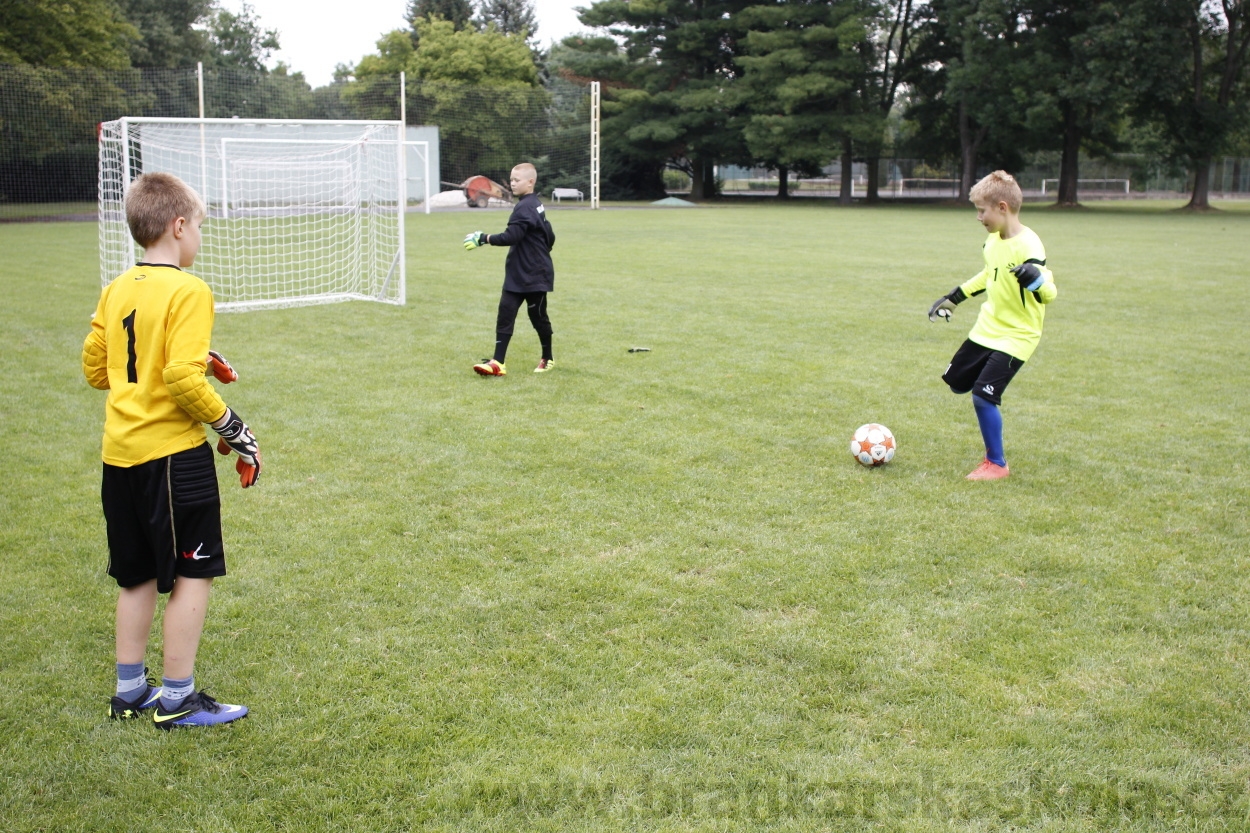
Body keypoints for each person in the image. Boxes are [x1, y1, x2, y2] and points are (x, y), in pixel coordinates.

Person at [82, 172, 261, 728]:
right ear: (179, 226)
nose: (199, 238)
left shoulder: (117, 287)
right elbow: (180, 381)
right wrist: (235, 431)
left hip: (119, 455)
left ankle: (130, 692)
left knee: (135, 574)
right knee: (193, 573)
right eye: (199, 227)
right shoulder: (189, 289)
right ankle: (177, 700)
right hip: (173, 458)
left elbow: (97, 369)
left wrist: (196, 358)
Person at [928, 170, 1057, 480]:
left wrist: (1037, 280)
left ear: (1002, 207)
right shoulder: (992, 241)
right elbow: (989, 274)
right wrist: (954, 298)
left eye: (981, 210)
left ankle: (996, 464)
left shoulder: (1029, 245)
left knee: (983, 396)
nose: (978, 217)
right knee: (956, 383)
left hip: (1018, 335)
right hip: (987, 329)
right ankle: (982, 381)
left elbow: (1049, 293)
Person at [463, 162, 557, 376]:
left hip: (535, 275)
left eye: (517, 180)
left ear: (530, 182)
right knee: (505, 314)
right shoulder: (533, 203)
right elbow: (549, 233)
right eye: (511, 179)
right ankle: (498, 362)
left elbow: (511, 236)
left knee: (538, 317)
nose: (512, 184)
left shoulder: (526, 207)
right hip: (518, 272)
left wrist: (483, 238)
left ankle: (548, 357)